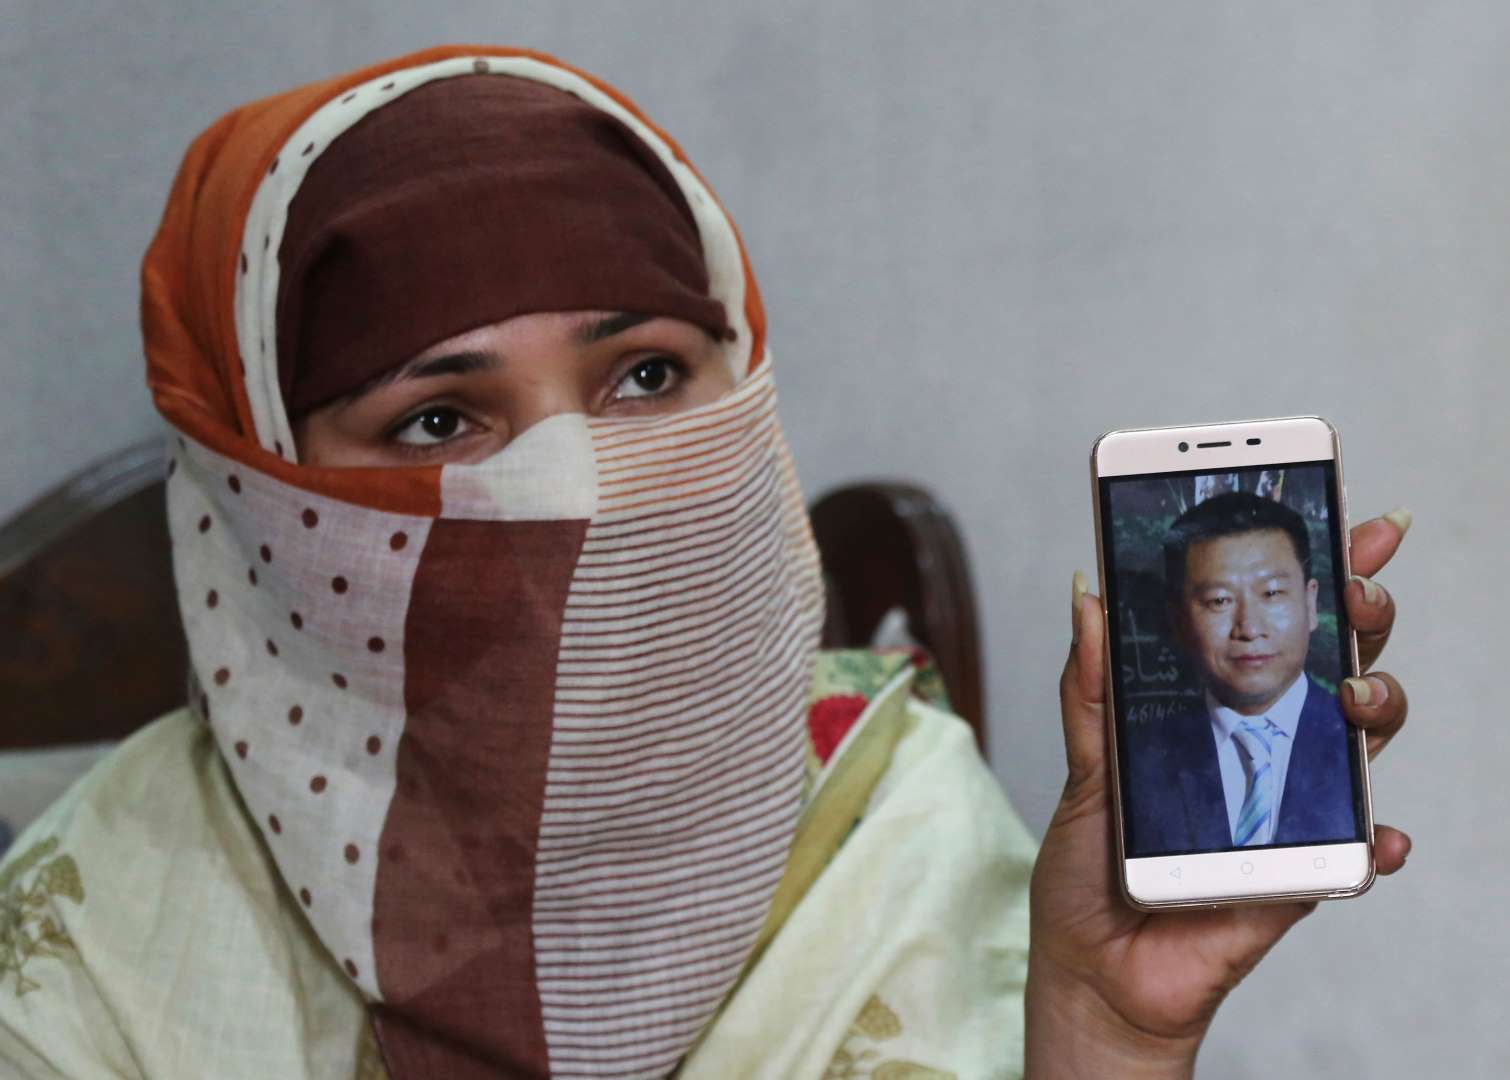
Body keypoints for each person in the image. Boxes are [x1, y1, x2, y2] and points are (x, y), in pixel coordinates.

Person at [0, 45, 1413, 1079]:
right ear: (260, 497)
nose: (573, 486)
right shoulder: (99, 928)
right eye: (439, 419)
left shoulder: (894, 825)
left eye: (643, 377)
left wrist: (1102, 1039)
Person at [1124, 491, 1359, 855]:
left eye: (1272, 593)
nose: (1249, 628)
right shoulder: (1140, 762)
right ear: (1180, 619)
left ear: (1310, 603)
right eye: (1219, 601)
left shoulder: (1359, 737)